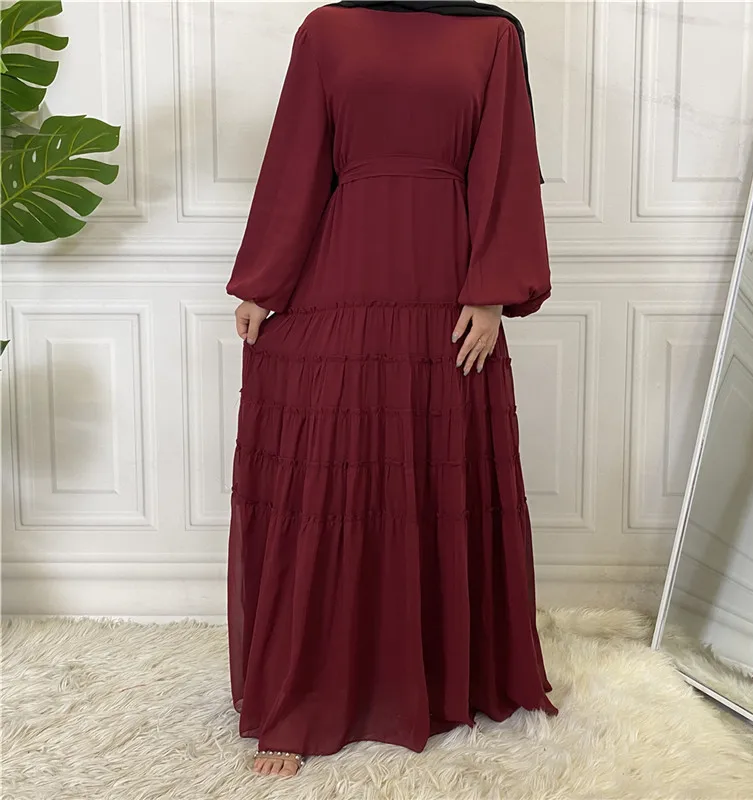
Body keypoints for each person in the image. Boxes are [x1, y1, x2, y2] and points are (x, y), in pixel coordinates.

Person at [226, 0, 558, 778]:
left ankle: (436, 679)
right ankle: (306, 693)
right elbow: (298, 157)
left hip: (447, 282)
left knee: (430, 468)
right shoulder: (327, 29)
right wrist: (264, 282)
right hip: (343, 271)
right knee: (332, 477)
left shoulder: (492, 35)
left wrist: (492, 291)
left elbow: (504, 163)